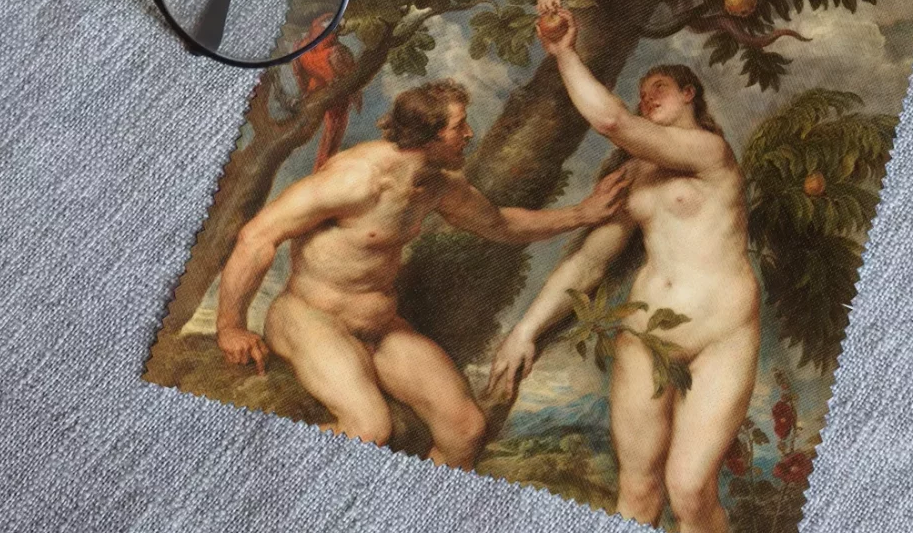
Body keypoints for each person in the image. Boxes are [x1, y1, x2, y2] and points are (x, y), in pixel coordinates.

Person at [216, 79, 628, 469]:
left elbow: (499, 223)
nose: (469, 134)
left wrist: (581, 214)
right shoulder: (356, 180)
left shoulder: (436, 184)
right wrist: (230, 325)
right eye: (459, 127)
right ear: (429, 135)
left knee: (466, 430)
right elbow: (257, 237)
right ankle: (243, 462)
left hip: (379, 328)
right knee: (368, 430)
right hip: (311, 318)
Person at [488, 11, 760, 533]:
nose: (646, 97)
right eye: (641, 92)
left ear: (689, 94)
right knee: (636, 490)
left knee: (689, 492)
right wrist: (526, 329)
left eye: (659, 88)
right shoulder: (633, 174)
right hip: (645, 337)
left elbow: (611, 121)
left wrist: (564, 52)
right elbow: (589, 262)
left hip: (720, 335)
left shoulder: (709, 151)